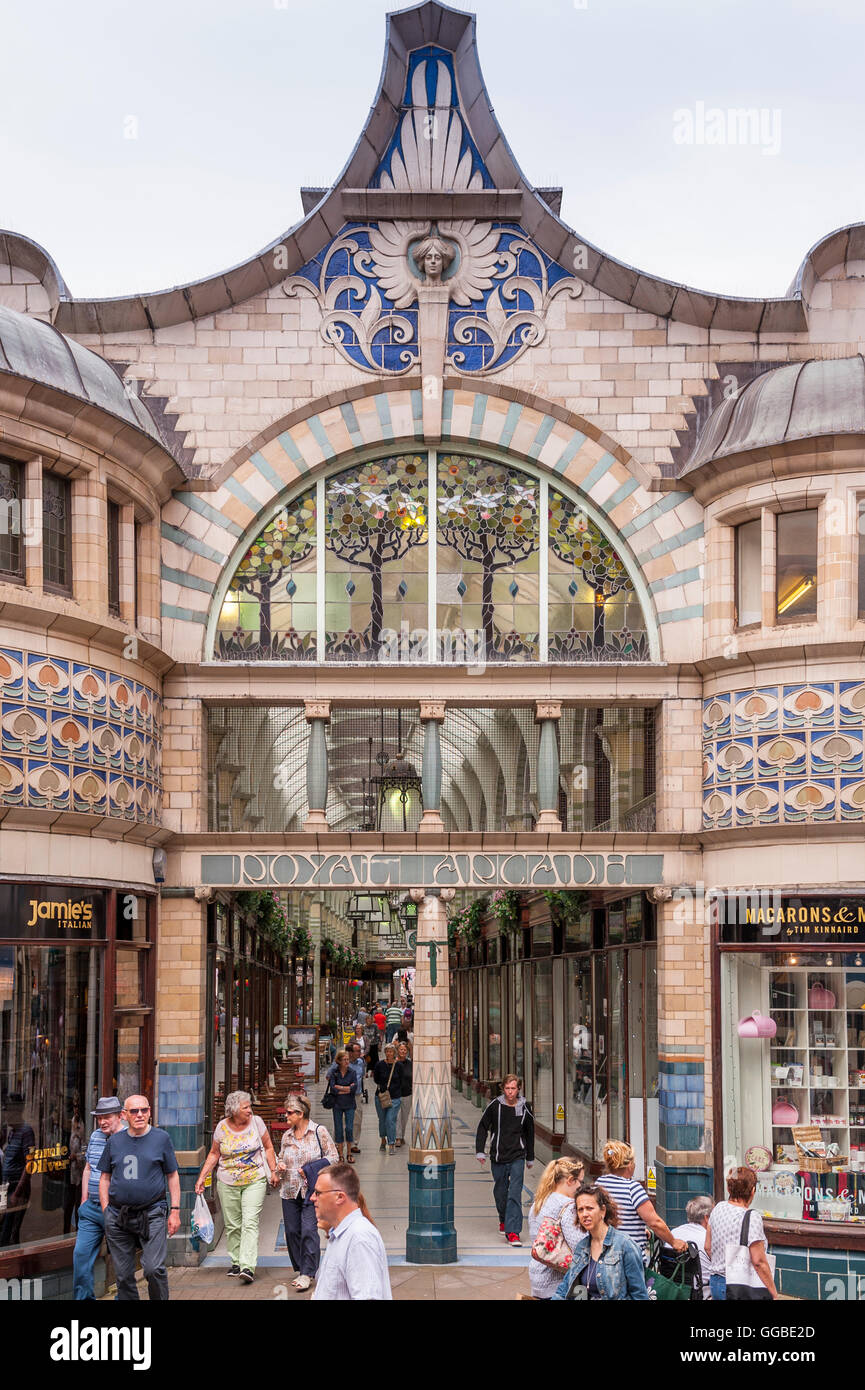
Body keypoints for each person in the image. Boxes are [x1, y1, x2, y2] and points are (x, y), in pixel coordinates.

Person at [98, 1094, 180, 1301]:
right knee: (123, 1276)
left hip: (152, 1212)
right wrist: (106, 1210)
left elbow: (172, 1175)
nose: (140, 1114)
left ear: (150, 1112)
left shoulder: (161, 1139)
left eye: (144, 1110)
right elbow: (104, 1178)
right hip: (118, 1216)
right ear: (125, 1115)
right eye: (134, 1111)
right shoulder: (114, 1141)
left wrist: (176, 1211)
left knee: (154, 1269)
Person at [195, 1089, 279, 1285]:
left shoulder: (257, 1123)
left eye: (250, 1106)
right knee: (233, 1225)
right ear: (233, 1110)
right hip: (227, 1181)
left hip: (254, 1180)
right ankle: (236, 1261)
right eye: (246, 1107)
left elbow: (268, 1147)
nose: (250, 1110)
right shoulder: (222, 1128)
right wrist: (202, 1176)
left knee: (250, 1222)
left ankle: (248, 1266)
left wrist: (273, 1170)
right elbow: (214, 1154)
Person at [275, 1093, 338, 1292]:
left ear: (301, 1113)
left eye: (289, 1112)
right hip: (290, 1190)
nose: (286, 1116)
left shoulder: (319, 1131)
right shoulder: (287, 1136)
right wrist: (280, 1165)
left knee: (309, 1230)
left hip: (312, 1190)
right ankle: (302, 1268)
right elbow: (280, 1157)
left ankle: (307, 1273)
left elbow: (334, 1157)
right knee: (292, 1231)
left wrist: (311, 1167)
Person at [310, 1162, 392, 1300]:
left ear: (340, 1197)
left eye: (318, 1193)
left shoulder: (359, 1238)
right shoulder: (340, 1235)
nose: (312, 1198)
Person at [552, 1185, 649, 1300]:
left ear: (603, 1211)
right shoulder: (582, 1247)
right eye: (580, 1209)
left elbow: (639, 1295)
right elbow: (566, 1287)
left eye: (589, 1208)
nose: (584, 1214)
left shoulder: (624, 1245)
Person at [73, 1096, 126, 1300]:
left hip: (116, 1210)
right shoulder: (95, 1136)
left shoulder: (128, 1138)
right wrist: (84, 1200)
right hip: (91, 1209)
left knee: (122, 1260)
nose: (102, 1121)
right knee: (81, 1256)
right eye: (99, 1117)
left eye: (107, 1117)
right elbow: (88, 1168)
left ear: (119, 1116)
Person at [597, 1140, 687, 1256]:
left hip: (603, 1253)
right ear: (629, 1165)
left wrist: (638, 1230)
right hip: (628, 1257)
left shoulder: (599, 1184)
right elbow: (655, 1223)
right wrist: (673, 1242)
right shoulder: (632, 1188)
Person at [475, 1073, 535, 1246]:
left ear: (518, 1089)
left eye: (513, 1088)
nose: (510, 1092)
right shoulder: (495, 1106)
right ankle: (503, 1217)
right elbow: (482, 1127)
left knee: (515, 1193)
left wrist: (530, 1157)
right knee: (501, 1192)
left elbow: (530, 1133)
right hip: (498, 1156)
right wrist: (480, 1151)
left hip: (518, 1156)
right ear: (503, 1089)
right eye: (507, 1088)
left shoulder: (525, 1107)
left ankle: (513, 1232)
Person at [707, 1167, 779, 1301]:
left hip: (716, 1282)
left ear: (729, 1189)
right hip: (739, 1286)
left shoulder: (718, 1208)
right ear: (752, 1191)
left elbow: (707, 1246)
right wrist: (774, 1293)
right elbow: (759, 1261)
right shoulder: (752, 1217)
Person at [527, 1157, 584, 1300]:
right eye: (580, 1182)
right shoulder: (568, 1205)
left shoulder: (539, 1201)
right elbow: (579, 1246)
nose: (581, 1187)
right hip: (558, 1281)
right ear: (570, 1180)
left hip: (538, 1275)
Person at [0, 1097, 35, 1248]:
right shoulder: (12, 1132)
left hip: (17, 1190)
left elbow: (30, 1164)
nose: (5, 1116)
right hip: (7, 1188)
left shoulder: (26, 1131)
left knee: (10, 1233)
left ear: (16, 1112)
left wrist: (17, 1193)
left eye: (7, 1112)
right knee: (4, 1229)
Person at [666, 1194, 713, 1299]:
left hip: (674, 1291)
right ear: (706, 1218)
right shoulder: (708, 1239)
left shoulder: (673, 1234)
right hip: (701, 1293)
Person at [326, 1050, 358, 1162]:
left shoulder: (352, 1072)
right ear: (339, 1061)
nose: (347, 1061)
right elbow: (333, 1088)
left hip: (349, 1103)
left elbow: (354, 1088)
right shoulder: (334, 1073)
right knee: (338, 1128)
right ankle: (340, 1154)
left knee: (349, 1128)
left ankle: (349, 1153)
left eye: (348, 1059)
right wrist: (347, 1088)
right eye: (344, 1059)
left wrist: (341, 1088)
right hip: (337, 1104)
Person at [373, 1043, 403, 1155]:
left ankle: (391, 1143)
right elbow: (376, 1079)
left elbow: (401, 1080)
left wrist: (396, 1090)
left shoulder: (399, 1066)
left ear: (394, 1053)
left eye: (391, 1051)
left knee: (390, 1120)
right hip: (381, 1097)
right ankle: (383, 1139)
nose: (389, 1053)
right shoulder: (379, 1065)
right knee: (382, 1120)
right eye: (387, 1051)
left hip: (395, 1097)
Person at [348, 1041, 367, 1154]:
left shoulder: (361, 1062)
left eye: (360, 1050)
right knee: (342, 1120)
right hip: (344, 1095)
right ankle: (338, 1143)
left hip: (357, 1095)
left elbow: (362, 1075)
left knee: (357, 1120)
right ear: (350, 1053)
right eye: (357, 1051)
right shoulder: (342, 1061)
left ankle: (354, 1143)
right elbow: (329, 1075)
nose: (360, 1053)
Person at [395, 1041, 412, 1148]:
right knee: (397, 1117)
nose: (403, 1051)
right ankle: (397, 1138)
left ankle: (401, 1136)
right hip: (396, 1094)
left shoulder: (410, 1064)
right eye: (401, 1049)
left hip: (407, 1094)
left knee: (404, 1118)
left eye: (405, 1050)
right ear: (397, 1050)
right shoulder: (394, 1063)